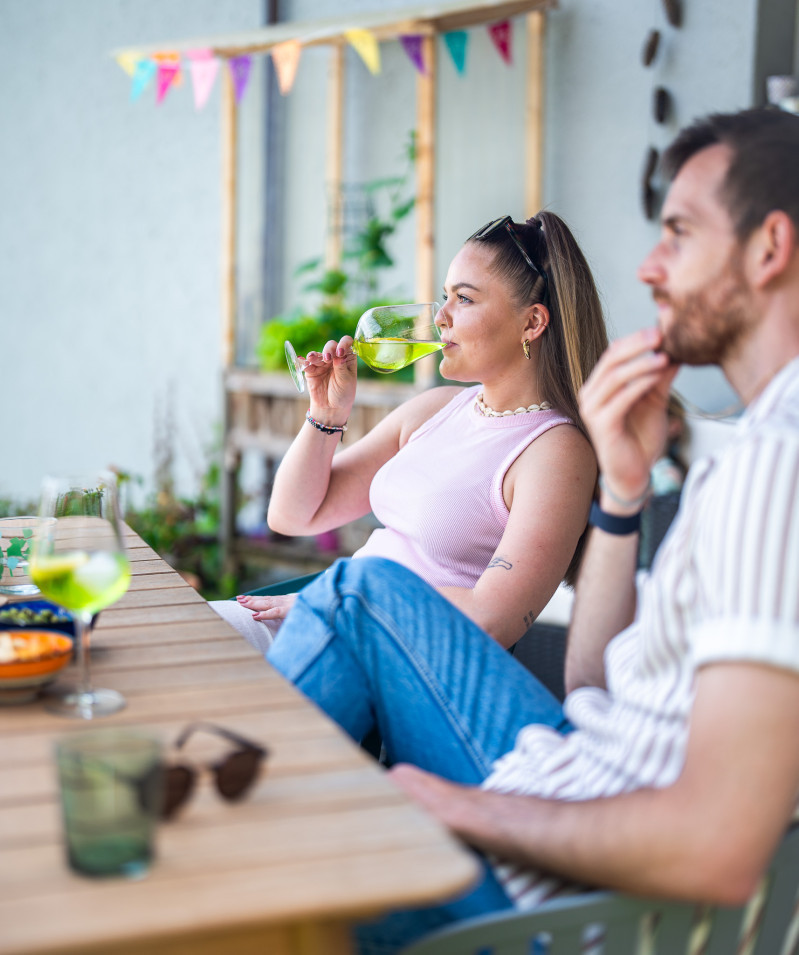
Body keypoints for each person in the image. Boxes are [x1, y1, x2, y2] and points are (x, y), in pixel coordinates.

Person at [265, 106, 799, 953]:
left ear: (768, 249)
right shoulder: (753, 451)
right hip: (571, 770)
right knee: (357, 595)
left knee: (284, 851)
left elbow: (718, 846)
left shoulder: (774, 462)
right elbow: (593, 689)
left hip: (555, 892)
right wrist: (620, 501)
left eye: (678, 235)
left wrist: (453, 803)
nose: (649, 268)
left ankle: (208, 823)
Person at [212, 211, 608, 652]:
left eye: (465, 299)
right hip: (336, 621)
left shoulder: (554, 452)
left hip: (397, 655)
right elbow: (292, 515)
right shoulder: (436, 409)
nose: (441, 318)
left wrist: (342, 594)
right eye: (444, 297)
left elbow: (493, 620)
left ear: (532, 323)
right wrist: (327, 414)